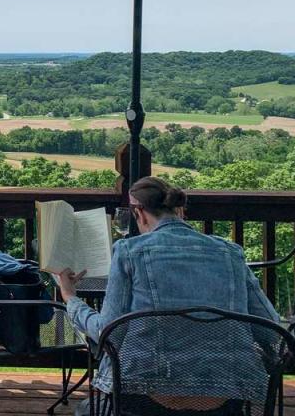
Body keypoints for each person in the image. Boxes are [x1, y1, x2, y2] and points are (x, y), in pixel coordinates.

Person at [55, 176, 280, 415]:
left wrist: (71, 298)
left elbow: (108, 332)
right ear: (180, 210)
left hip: (144, 397)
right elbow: (271, 329)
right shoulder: (231, 253)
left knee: (86, 410)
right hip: (224, 399)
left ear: (139, 213)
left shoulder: (129, 251)